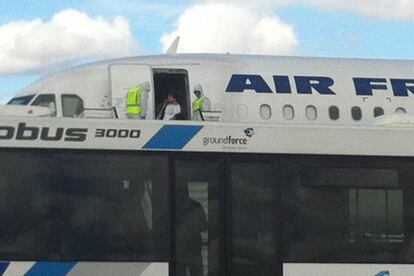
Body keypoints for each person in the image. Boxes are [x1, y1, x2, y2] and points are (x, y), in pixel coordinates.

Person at [176, 196, 208, 276]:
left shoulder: (196, 206)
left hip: (193, 252)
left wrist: (193, 224)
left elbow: (204, 226)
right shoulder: (173, 206)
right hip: (181, 254)